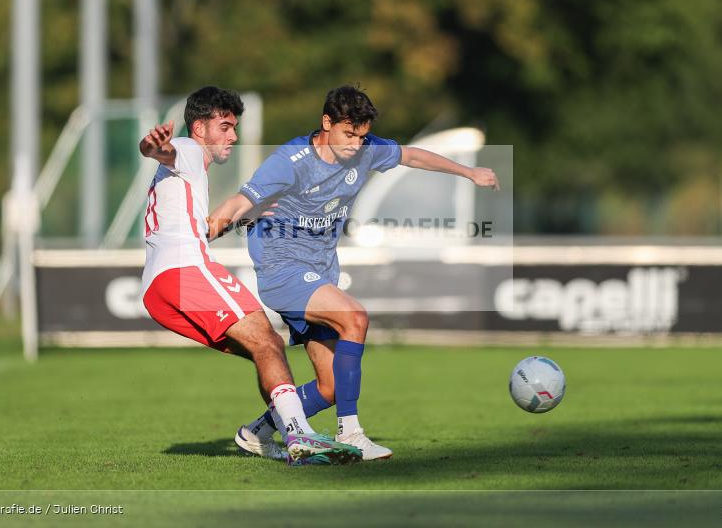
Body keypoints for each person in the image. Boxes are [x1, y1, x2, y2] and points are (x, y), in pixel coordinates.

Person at [208, 84, 498, 460]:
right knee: (355, 317)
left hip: (320, 271)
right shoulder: (291, 160)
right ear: (326, 122)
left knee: (329, 387)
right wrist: (202, 234)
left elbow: (411, 156)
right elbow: (240, 202)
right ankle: (353, 433)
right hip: (283, 268)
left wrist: (469, 172)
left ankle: (258, 431)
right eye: (348, 134)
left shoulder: (364, 150)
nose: (355, 145)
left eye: (361, 136)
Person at [139, 86, 362, 466]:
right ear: (199, 128)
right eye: (225, 127)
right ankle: (300, 436)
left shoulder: (188, 177)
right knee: (267, 340)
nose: (233, 137)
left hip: (159, 287)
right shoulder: (189, 150)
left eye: (234, 127)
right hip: (184, 270)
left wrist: (248, 214)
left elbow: (205, 228)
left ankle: (262, 433)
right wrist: (152, 145)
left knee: (265, 348)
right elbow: (163, 150)